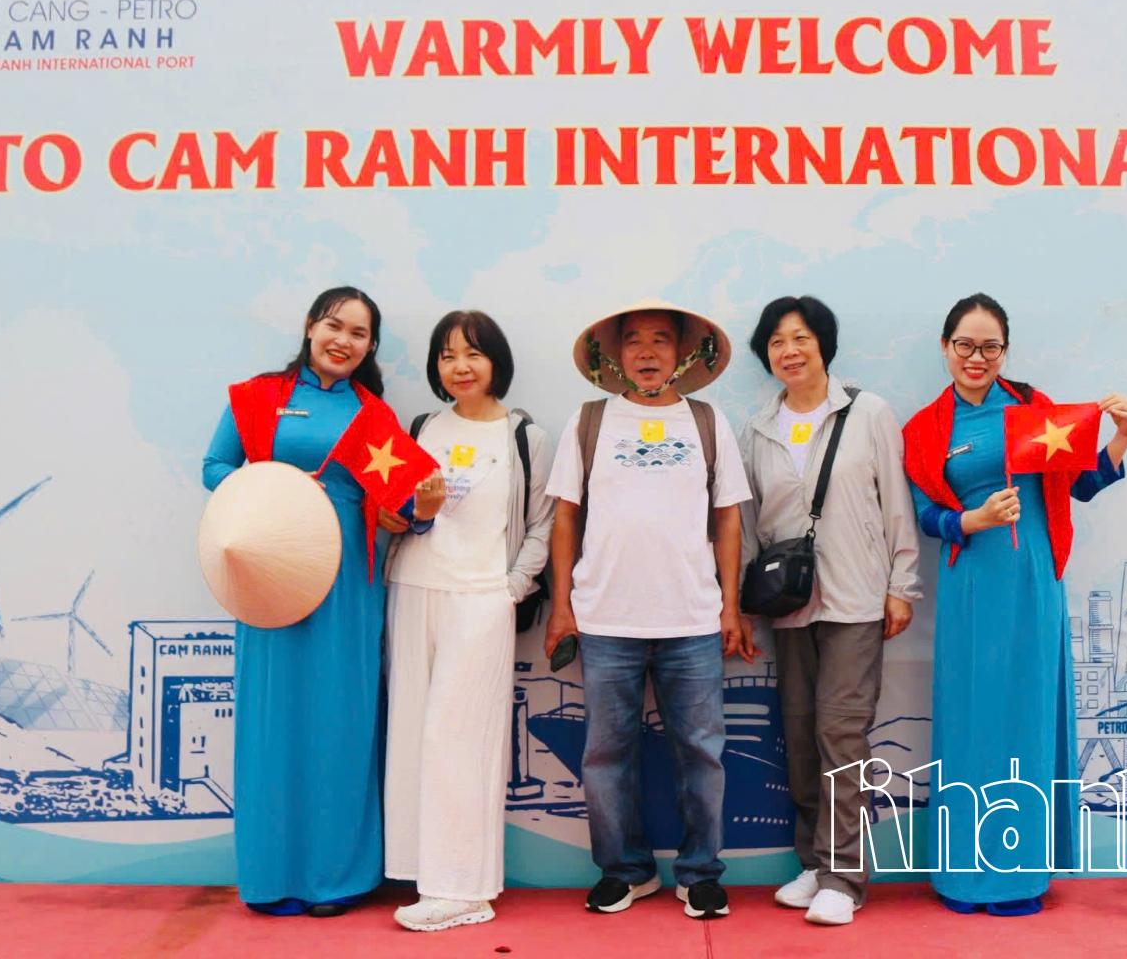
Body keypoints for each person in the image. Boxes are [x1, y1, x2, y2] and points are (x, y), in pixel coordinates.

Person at [902, 293, 1127, 916]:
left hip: (1033, 583)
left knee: (1028, 717)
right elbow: (924, 514)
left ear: (1005, 351)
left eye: (990, 346)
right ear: (946, 347)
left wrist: (1120, 439)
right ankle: (964, 876)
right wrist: (970, 520)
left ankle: (1019, 877)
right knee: (968, 720)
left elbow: (1082, 485)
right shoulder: (924, 429)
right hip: (969, 587)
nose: (977, 357)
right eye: (965, 345)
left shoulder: (1035, 411)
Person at [542, 299, 754, 920]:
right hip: (605, 617)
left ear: (682, 353)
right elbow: (565, 517)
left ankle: (700, 874)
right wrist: (562, 606)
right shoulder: (589, 421)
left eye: (661, 340)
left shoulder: (707, 423)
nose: (647, 352)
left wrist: (731, 607)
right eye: (633, 340)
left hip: (692, 617)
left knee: (702, 752)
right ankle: (625, 871)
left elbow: (729, 519)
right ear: (614, 355)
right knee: (606, 754)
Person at [201, 286, 396, 917]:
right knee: (272, 719)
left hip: (349, 581)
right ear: (311, 326)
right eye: (335, 325)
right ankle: (271, 875)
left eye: (359, 334)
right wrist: (273, 488)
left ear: (370, 347)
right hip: (270, 575)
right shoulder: (259, 396)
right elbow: (214, 467)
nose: (344, 341)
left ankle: (336, 878)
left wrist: (418, 510)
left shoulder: (373, 416)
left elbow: (403, 505)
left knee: (342, 718)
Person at [738, 296, 922, 926]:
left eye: (801, 338)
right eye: (776, 342)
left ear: (823, 345)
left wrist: (902, 584)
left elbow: (895, 502)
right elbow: (749, 524)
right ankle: (815, 865)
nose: (789, 351)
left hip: (856, 598)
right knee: (798, 735)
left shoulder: (867, 413)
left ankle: (845, 876)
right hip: (789, 606)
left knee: (841, 732)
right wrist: (742, 605)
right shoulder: (758, 429)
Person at [383, 310, 554, 933]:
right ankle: (417, 870)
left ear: (496, 362)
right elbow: (400, 514)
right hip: (413, 587)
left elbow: (544, 523)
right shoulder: (422, 427)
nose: (460, 366)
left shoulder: (524, 436)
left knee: (460, 739)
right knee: (411, 735)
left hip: (480, 597)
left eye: (473, 354)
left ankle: (463, 888)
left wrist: (511, 588)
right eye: (447, 354)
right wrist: (413, 513)